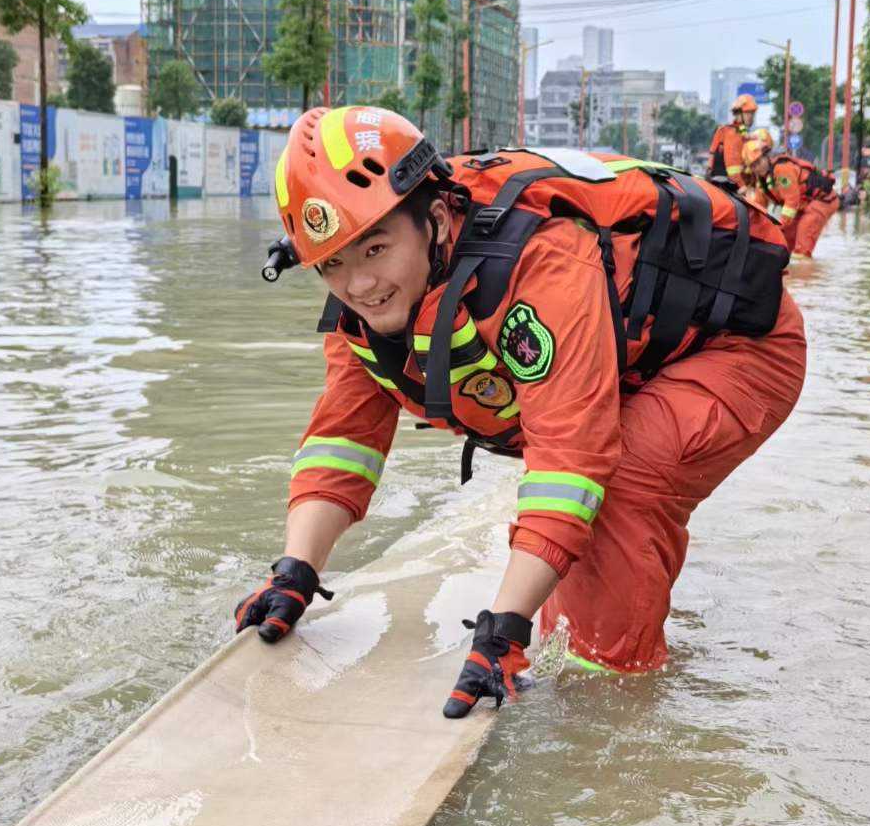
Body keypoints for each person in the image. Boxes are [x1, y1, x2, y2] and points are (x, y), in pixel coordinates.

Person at [236, 107, 807, 717]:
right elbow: (342, 440)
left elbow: (570, 458)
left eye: (376, 249)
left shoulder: (539, 262)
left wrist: (502, 632)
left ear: (434, 218)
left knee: (620, 485)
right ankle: (591, 645)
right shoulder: (363, 311)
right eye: (333, 264)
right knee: (583, 538)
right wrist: (296, 570)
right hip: (635, 359)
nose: (360, 284)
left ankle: (612, 710)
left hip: (740, 349)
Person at [741, 137, 837, 256]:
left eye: (758, 162)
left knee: (803, 241)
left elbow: (792, 201)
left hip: (821, 201)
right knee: (783, 243)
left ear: (766, 157)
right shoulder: (762, 180)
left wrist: (780, 226)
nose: (757, 168)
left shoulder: (782, 169)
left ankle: (803, 270)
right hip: (802, 206)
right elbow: (760, 208)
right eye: (753, 166)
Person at [707, 93, 758, 186]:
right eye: (747, 113)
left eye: (752, 113)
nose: (751, 116)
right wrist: (743, 187)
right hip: (730, 186)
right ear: (738, 114)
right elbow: (733, 169)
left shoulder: (741, 132)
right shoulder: (732, 133)